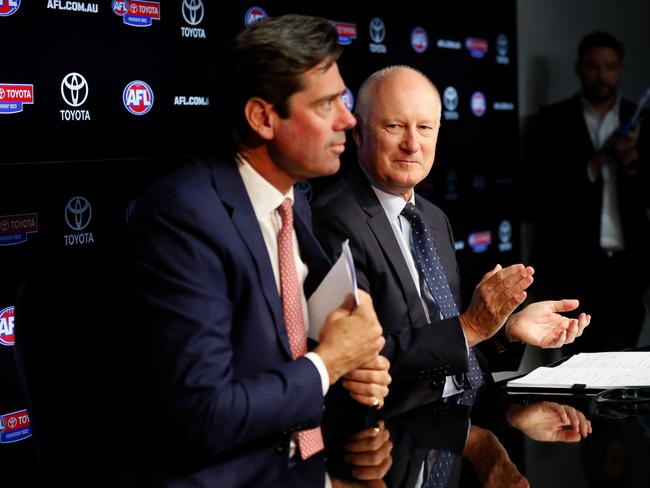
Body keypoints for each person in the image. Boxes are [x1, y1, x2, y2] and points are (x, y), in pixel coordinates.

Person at [121, 15, 390, 487]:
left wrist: (356, 364)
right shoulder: (184, 217)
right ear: (263, 117)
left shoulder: (295, 206)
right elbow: (206, 415)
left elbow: (297, 344)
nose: (348, 119)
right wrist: (329, 363)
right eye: (327, 103)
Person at [313, 66, 590, 395]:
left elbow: (449, 350)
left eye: (425, 127)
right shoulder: (334, 219)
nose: (412, 144)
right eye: (395, 126)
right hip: (398, 431)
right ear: (358, 132)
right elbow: (361, 361)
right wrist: (471, 325)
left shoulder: (433, 218)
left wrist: (506, 332)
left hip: (465, 415)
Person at [527, 31, 650, 353]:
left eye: (610, 66)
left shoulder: (641, 119)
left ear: (620, 69)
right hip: (572, 267)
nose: (602, 75)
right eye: (594, 66)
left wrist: (632, 161)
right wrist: (598, 161)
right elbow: (540, 193)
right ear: (579, 68)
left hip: (628, 269)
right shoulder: (552, 121)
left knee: (624, 366)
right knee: (576, 366)